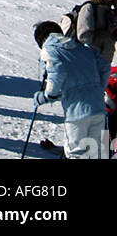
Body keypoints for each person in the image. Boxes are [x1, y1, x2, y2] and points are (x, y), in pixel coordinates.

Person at [33, 21, 110, 159]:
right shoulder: (82, 48)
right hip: (98, 107)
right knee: (97, 153)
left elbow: (57, 73)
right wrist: (98, 90)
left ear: (40, 40)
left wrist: (47, 95)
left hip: (76, 112)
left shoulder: (50, 48)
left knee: (76, 153)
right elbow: (104, 66)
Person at [67, 0, 117, 65]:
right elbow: (84, 37)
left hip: (104, 62)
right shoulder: (89, 8)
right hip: (88, 62)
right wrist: (106, 32)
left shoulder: (109, 11)